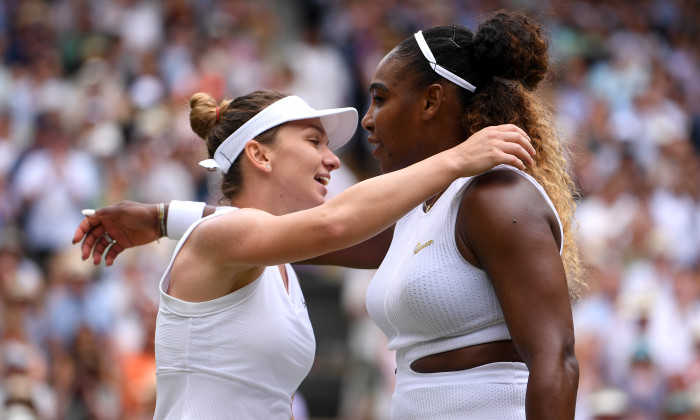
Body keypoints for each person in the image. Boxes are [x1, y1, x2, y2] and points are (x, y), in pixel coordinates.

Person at [75, 11, 582, 419]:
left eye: (380, 99)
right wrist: (456, 158)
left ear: (432, 101)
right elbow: (323, 229)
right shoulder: (251, 239)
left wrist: (163, 217)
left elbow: (555, 358)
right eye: (314, 141)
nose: (340, 152)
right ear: (261, 155)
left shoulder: (493, 198)